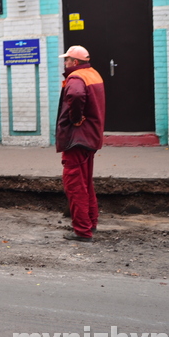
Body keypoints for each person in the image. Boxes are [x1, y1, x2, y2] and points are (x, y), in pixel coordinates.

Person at [56, 45, 105, 242]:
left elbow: (76, 96)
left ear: (75, 62)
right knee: (86, 183)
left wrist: (75, 118)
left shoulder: (76, 78)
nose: (65, 62)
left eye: (67, 60)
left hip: (76, 139)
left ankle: (82, 231)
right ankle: (91, 223)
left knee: (74, 184)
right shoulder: (93, 74)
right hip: (90, 138)